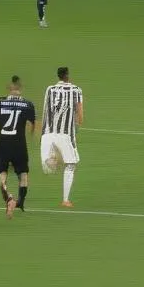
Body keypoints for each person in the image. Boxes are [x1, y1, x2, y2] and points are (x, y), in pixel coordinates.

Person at [0, 76, 36, 218]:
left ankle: (8, 196)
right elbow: (31, 127)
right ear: (20, 88)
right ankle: (20, 202)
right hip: (19, 144)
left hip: (3, 143)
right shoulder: (28, 104)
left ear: (9, 89)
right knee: (23, 174)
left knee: (2, 172)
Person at [40, 67, 83, 206]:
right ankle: (65, 200)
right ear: (68, 75)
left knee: (52, 165)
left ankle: (52, 159)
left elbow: (45, 111)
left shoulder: (50, 89)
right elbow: (80, 115)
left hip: (48, 132)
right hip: (66, 134)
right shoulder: (76, 90)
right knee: (71, 164)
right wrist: (77, 126)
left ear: (58, 76)